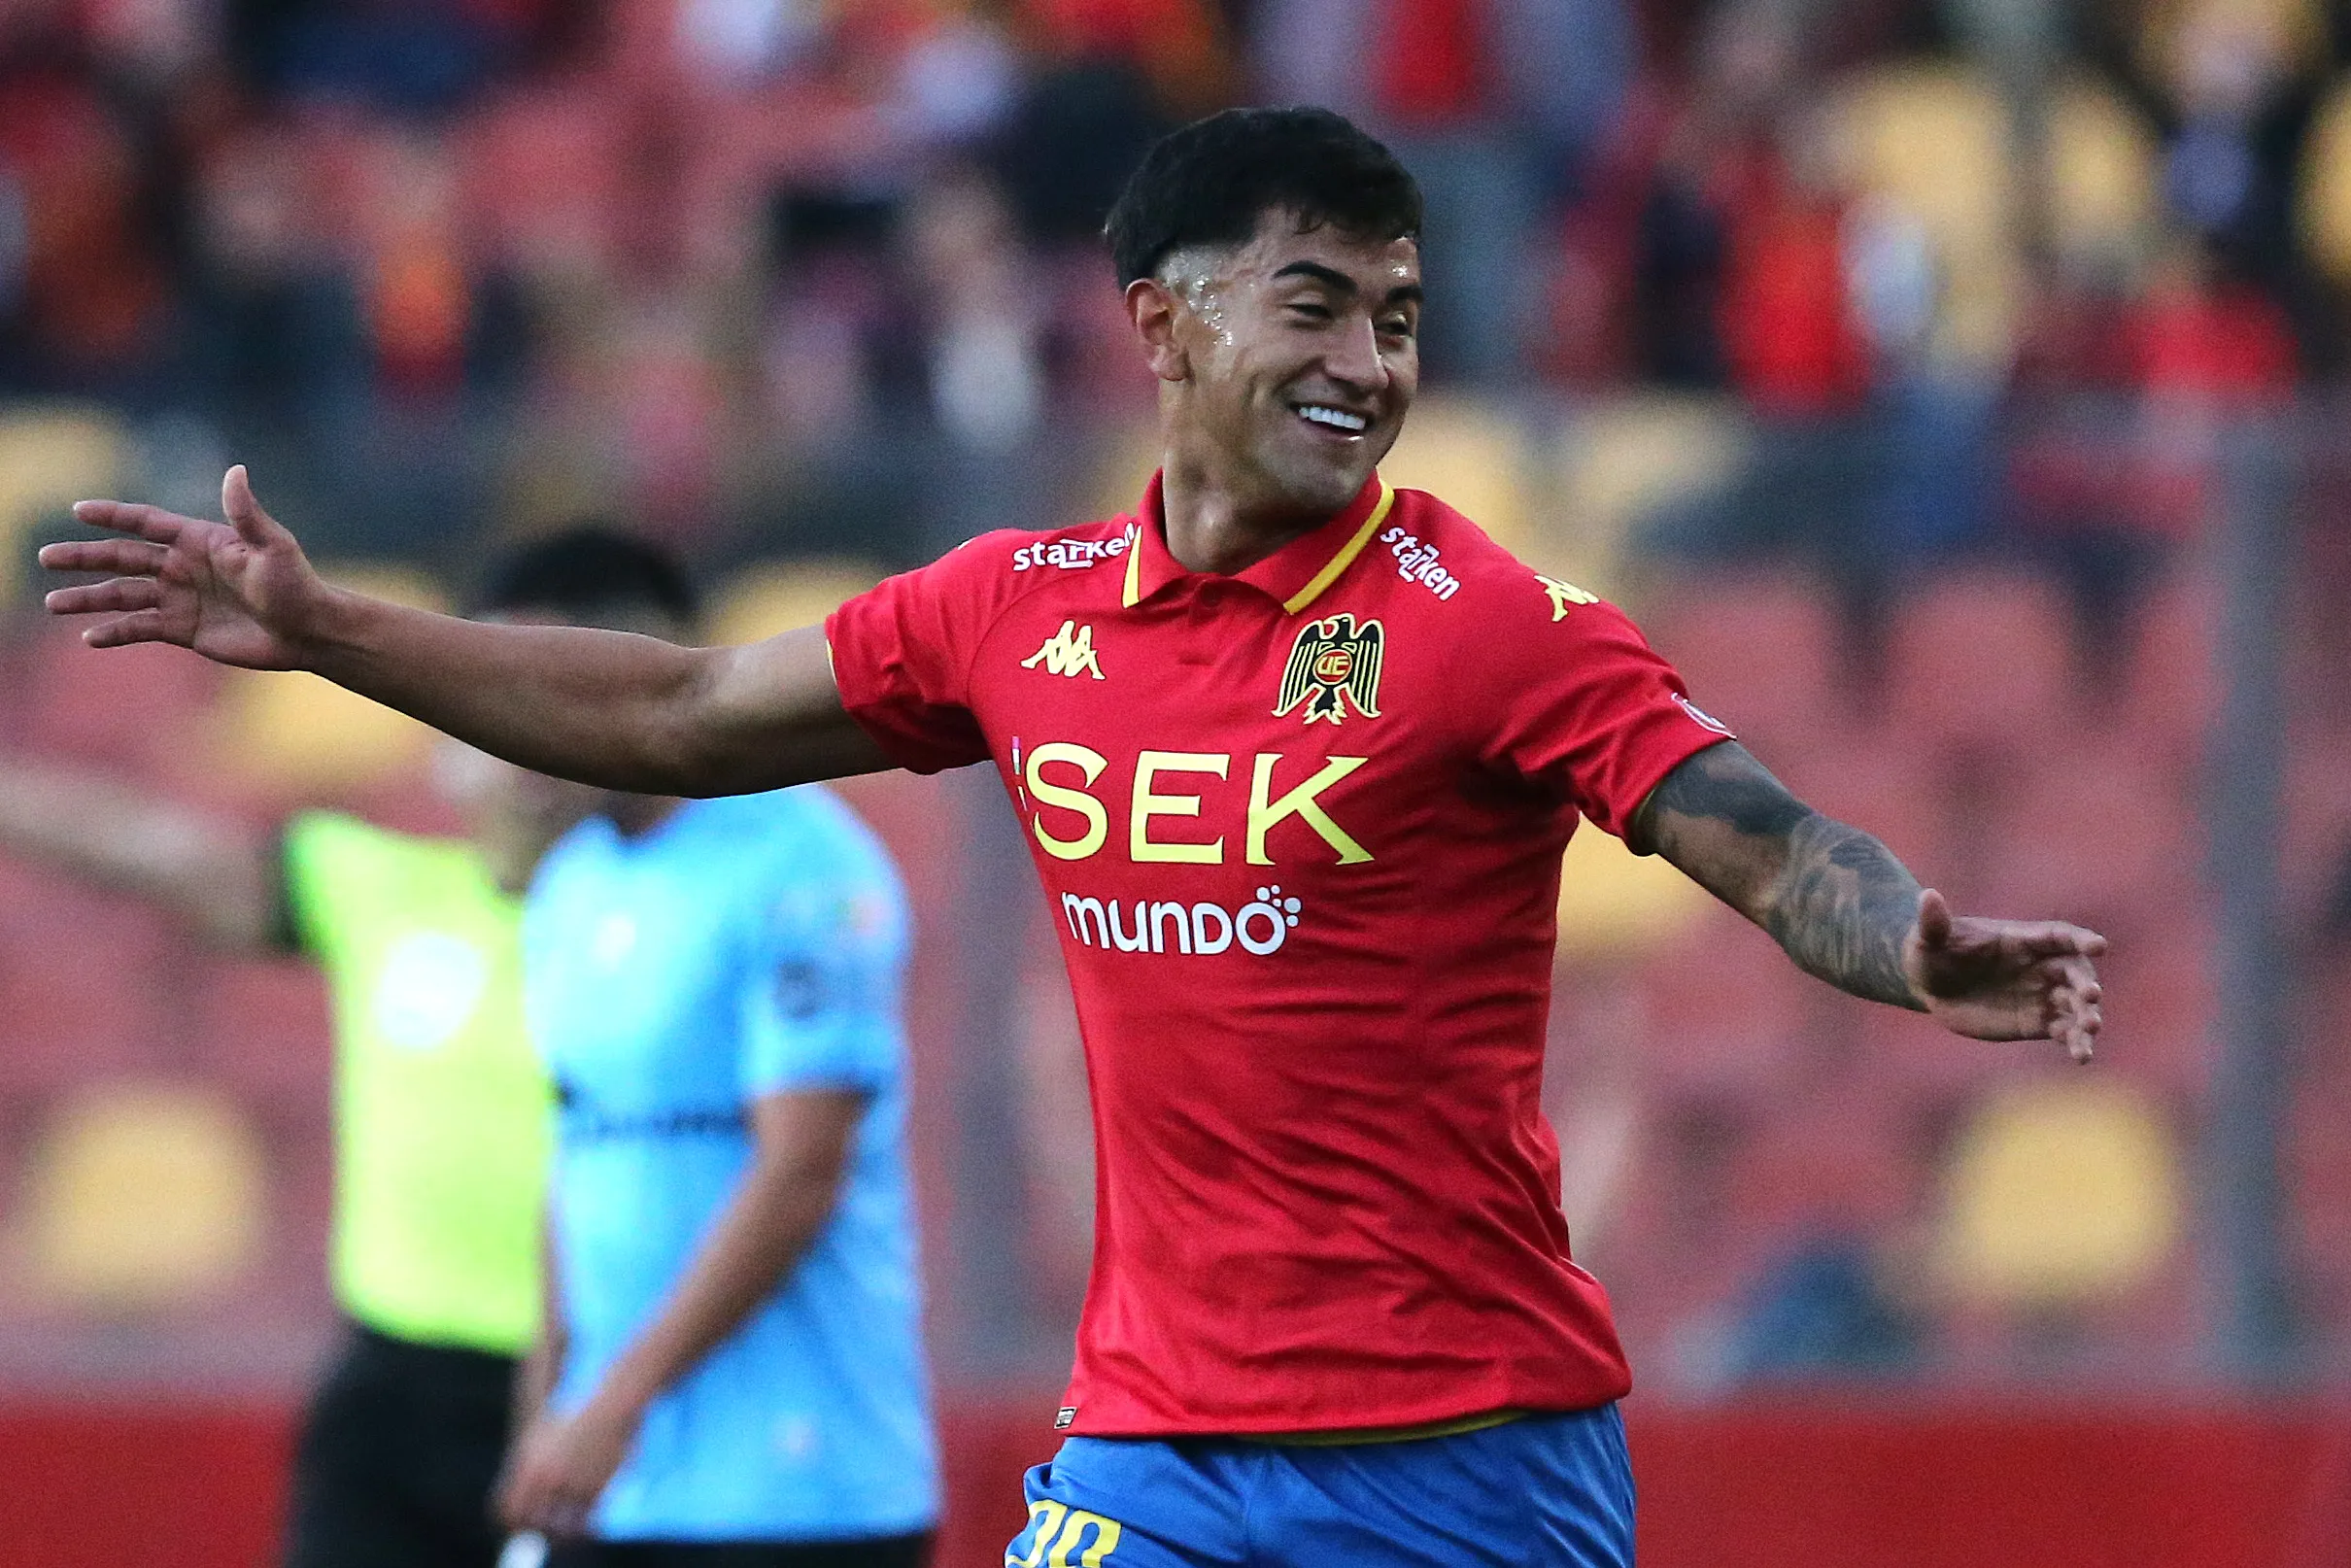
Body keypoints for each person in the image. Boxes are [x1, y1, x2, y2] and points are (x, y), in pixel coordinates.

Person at [43, 106, 2104, 1567]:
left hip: (1466, 1446)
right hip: (1155, 1442)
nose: (1367, 364)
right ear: (1159, 319)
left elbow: (1740, 831)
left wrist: (1906, 938)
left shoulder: (1485, 627)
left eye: (1396, 319)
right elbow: (675, 712)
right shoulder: (1013, 611)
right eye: (1314, 306)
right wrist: (327, 636)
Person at [0, 634, 567, 1568]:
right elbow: (151, 850)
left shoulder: (669, 920)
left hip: (605, 1375)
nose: (521, 770)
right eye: (489, 737)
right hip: (400, 1384)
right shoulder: (388, 888)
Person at [472, 528, 939, 1566]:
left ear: (629, 669)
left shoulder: (803, 862)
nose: (504, 727)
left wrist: (614, 1404)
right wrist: (546, 1407)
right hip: (612, 1484)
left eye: (531, 685)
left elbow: (800, 1172)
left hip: (799, 1495)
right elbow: (577, 1153)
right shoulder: (568, 882)